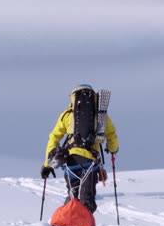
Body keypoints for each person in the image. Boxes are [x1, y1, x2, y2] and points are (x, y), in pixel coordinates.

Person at [40, 84, 119, 213]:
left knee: (73, 193)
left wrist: (48, 164)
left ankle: (67, 221)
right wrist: (112, 148)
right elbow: (111, 134)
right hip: (90, 160)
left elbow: (54, 138)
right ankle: (83, 224)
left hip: (71, 160)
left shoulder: (66, 115)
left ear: (73, 98)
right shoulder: (101, 116)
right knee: (87, 196)